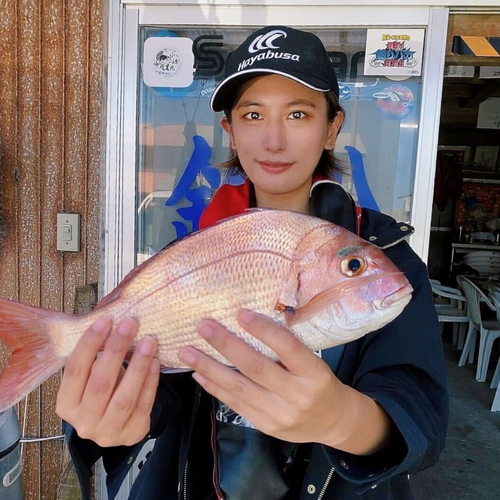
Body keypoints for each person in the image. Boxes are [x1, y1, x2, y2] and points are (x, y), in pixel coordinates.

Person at [58, 26, 448, 500]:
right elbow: (166, 391)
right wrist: (116, 415)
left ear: (332, 128)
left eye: (299, 114)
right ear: (231, 130)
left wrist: (343, 421)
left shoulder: (383, 258)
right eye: (253, 114)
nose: (274, 140)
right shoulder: (192, 254)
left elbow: (420, 411)